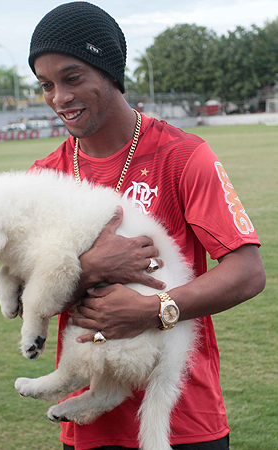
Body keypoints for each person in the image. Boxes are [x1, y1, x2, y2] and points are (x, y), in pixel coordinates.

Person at [26, 2, 265, 449]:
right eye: (46, 85)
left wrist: (153, 310)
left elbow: (247, 272)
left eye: (72, 77)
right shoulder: (45, 176)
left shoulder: (183, 155)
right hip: (89, 428)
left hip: (182, 419)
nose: (59, 97)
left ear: (110, 73)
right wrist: (88, 267)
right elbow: (22, 300)